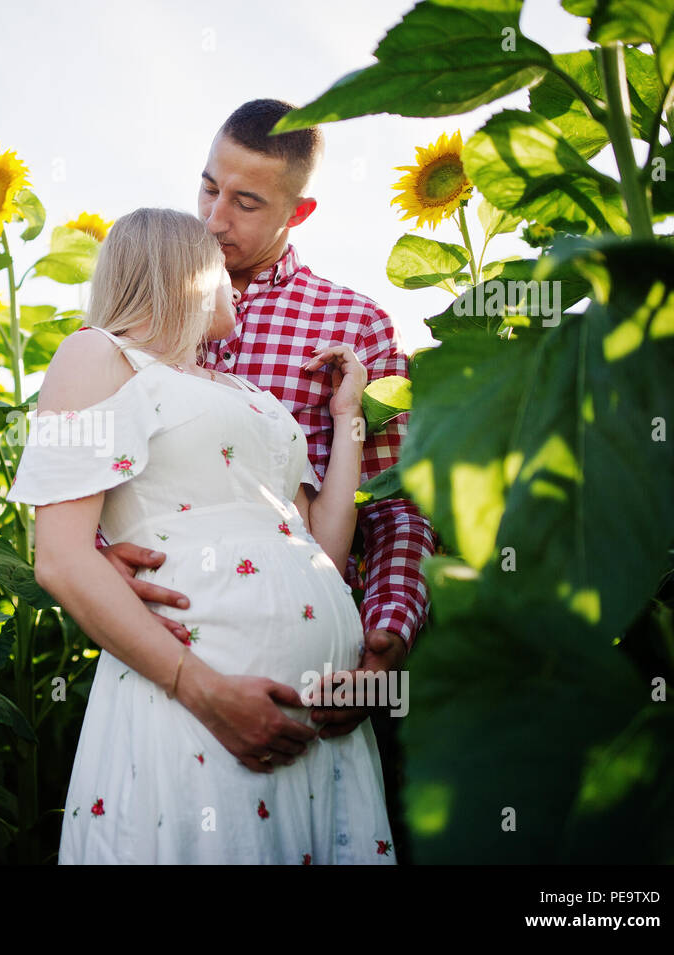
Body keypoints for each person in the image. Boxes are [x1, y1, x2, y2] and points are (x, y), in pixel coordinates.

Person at [6, 207, 394, 864]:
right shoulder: (98, 352)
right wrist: (202, 688)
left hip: (318, 737)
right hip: (195, 704)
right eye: (220, 269)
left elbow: (320, 550)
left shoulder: (245, 390)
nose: (236, 285)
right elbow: (62, 558)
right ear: (183, 270)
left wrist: (346, 415)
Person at [98, 99, 437, 756]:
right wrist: (99, 549)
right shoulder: (140, 301)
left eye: (246, 203)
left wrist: (387, 637)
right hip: (162, 663)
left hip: (309, 685)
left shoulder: (354, 325)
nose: (213, 217)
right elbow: (86, 472)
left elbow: (395, 500)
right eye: (207, 186)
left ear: (298, 212)